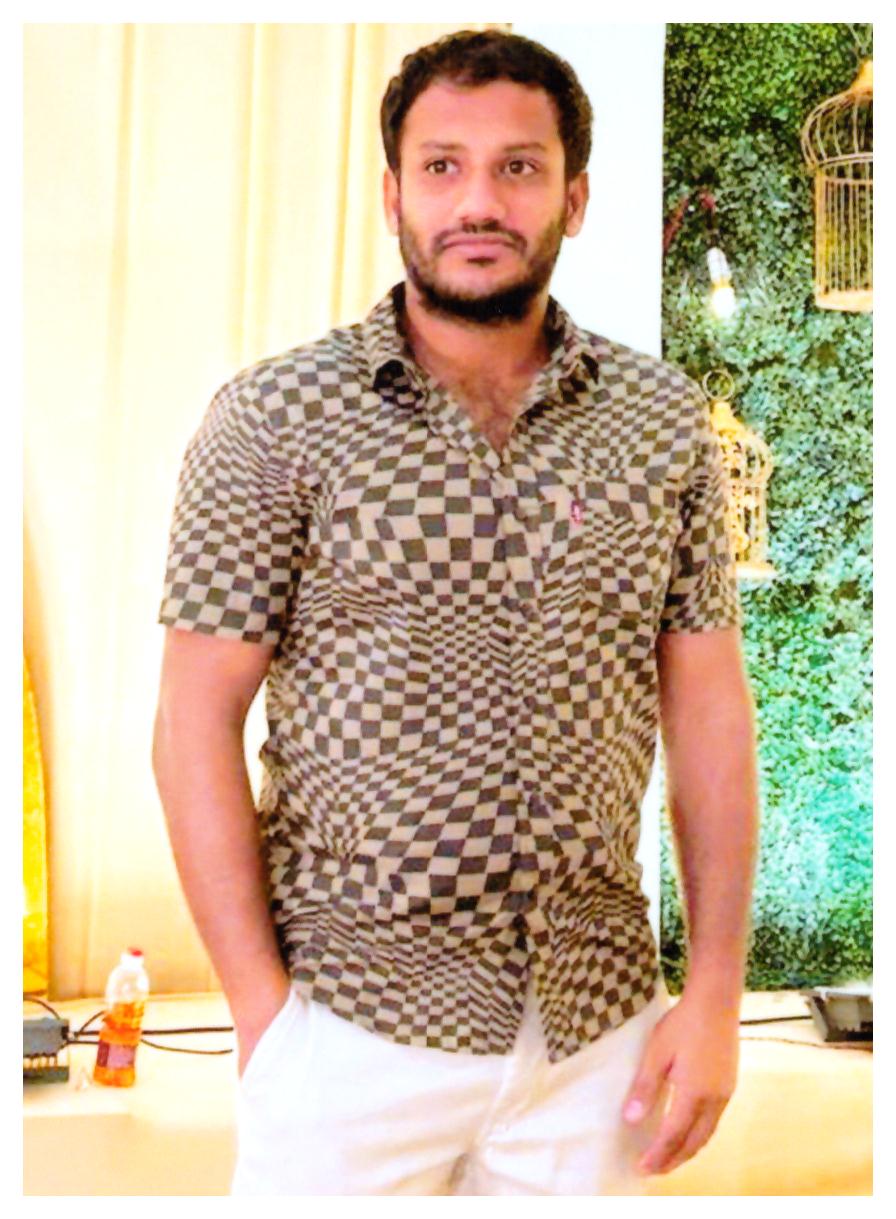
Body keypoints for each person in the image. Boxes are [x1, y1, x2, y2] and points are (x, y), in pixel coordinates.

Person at [153, 29, 758, 1197]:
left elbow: (709, 714)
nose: (477, 201)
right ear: (392, 195)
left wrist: (716, 995)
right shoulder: (274, 419)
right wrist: (262, 1016)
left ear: (573, 198)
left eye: (517, 167)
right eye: (442, 166)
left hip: (593, 1031)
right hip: (346, 1023)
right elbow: (192, 720)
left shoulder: (661, 421)